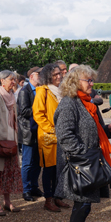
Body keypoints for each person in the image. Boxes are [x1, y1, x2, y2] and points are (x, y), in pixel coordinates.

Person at [54, 65, 110, 222]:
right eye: (88, 80)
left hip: (89, 162)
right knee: (81, 206)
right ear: (75, 82)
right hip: (80, 165)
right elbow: (64, 135)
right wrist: (83, 154)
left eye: (92, 80)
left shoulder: (86, 103)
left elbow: (94, 129)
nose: (92, 84)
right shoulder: (70, 103)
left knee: (84, 206)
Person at [0, 70, 23, 215]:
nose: (13, 82)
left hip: (12, 140)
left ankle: (8, 202)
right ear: (2, 81)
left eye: (14, 79)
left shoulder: (12, 97)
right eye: (11, 79)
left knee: (9, 171)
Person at [32, 63, 69, 212]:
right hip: (49, 137)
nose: (59, 76)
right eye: (55, 75)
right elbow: (38, 114)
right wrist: (52, 130)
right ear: (49, 76)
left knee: (60, 168)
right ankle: (48, 199)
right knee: (49, 169)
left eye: (59, 73)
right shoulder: (42, 91)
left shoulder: (61, 91)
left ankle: (58, 197)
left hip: (62, 135)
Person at [18, 67, 42, 202]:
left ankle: (34, 186)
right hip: (28, 132)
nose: (41, 76)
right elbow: (24, 111)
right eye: (39, 74)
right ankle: (26, 190)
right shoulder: (24, 92)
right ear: (32, 76)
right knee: (27, 162)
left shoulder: (40, 89)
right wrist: (39, 108)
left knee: (38, 162)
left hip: (38, 131)